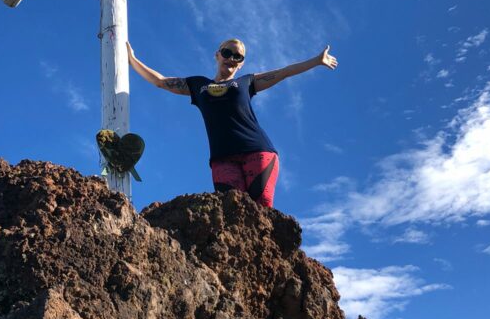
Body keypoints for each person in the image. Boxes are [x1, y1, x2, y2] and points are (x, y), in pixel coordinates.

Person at [126, 37, 338, 208]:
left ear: (242, 63)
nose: (231, 58)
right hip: (222, 158)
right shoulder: (198, 85)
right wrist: (132, 60)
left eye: (238, 56)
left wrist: (316, 61)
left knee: (261, 210)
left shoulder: (246, 82)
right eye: (227, 52)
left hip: (258, 152)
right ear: (217, 55)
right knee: (231, 212)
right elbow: (161, 82)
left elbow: (284, 72)